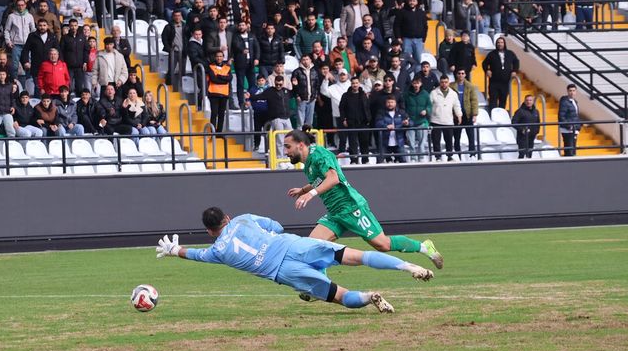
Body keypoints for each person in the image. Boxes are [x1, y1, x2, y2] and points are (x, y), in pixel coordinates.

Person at [155, 208, 436, 312]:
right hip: (292, 245)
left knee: (339, 296)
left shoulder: (217, 251)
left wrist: (173, 250)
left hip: (284, 271)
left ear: (208, 231)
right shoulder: (243, 219)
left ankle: (369, 296)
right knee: (356, 256)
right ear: (227, 218)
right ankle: (409, 265)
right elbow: (275, 225)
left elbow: (195, 255)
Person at [284, 128, 443, 268]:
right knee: (314, 245)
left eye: (287, 147)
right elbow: (320, 180)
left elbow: (333, 179)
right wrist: (303, 189)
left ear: (301, 145)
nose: (285, 152)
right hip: (335, 212)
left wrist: (310, 194)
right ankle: (319, 283)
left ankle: (424, 247)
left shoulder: (319, 154)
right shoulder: (309, 162)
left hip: (351, 207)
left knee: (383, 244)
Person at [21, 19, 59, 96]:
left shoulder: (52, 36)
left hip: (50, 67)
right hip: (36, 66)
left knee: (49, 87)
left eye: (44, 25)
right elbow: (25, 50)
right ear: (37, 26)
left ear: (47, 26)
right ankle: (37, 106)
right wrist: (26, 61)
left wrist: (60, 63)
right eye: (40, 25)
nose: (42, 27)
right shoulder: (32, 36)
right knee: (38, 88)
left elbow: (58, 51)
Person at [338, 76, 372, 164]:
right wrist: (343, 119)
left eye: (356, 83)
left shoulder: (363, 94)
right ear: (351, 84)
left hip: (363, 122)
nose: (355, 85)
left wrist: (368, 118)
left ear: (359, 84)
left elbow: (367, 107)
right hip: (351, 122)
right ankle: (353, 160)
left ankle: (365, 160)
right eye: (353, 83)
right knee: (352, 143)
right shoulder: (345, 95)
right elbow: (341, 108)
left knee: (364, 142)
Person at [481, 37, 519, 112]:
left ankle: (501, 116)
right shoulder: (492, 54)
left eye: (501, 42)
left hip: (505, 82)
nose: (500, 44)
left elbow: (516, 62)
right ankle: (492, 115)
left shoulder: (510, 53)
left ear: (504, 44)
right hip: (494, 82)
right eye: (498, 42)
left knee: (503, 99)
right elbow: (484, 63)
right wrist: (487, 70)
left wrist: (514, 71)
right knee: (493, 100)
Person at [429, 75, 462, 162]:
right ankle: (438, 157)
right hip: (435, 120)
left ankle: (450, 156)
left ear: (448, 83)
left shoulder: (453, 93)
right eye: (442, 82)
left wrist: (459, 115)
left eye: (446, 82)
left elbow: (457, 105)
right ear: (440, 82)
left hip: (448, 120)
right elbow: (429, 105)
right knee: (436, 141)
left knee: (449, 141)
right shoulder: (433, 93)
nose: (444, 84)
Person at [319, 68, 352, 152]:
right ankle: (342, 151)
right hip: (338, 114)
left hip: (352, 114)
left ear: (347, 75)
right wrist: (326, 79)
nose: (342, 76)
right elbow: (323, 91)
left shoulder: (352, 85)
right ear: (338, 76)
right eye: (341, 75)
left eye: (344, 74)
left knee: (352, 135)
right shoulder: (333, 87)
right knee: (342, 135)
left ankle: (352, 151)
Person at [392, 0, 427, 72]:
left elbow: (425, 26)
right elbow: (396, 25)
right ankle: (406, 77)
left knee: (418, 60)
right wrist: (398, 37)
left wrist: (423, 39)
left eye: (414, 1)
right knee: (405, 61)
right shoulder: (402, 12)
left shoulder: (421, 13)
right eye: (410, 1)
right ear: (408, 1)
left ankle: (417, 78)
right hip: (406, 39)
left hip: (418, 40)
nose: (412, 2)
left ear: (417, 2)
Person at [451, 68, 479, 160]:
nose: (461, 75)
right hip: (456, 116)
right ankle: (457, 154)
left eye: (463, 73)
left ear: (465, 75)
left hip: (467, 115)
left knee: (471, 136)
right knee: (456, 137)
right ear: (456, 75)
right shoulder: (451, 86)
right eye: (459, 73)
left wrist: (474, 114)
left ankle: (472, 154)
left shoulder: (470, 86)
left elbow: (474, 100)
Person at [231, 21, 259, 110]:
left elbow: (257, 48)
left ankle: (252, 101)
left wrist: (256, 58)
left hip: (250, 64)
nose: (241, 27)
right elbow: (235, 45)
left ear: (246, 26)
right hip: (240, 64)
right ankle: (241, 103)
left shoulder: (252, 36)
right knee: (240, 84)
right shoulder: (236, 36)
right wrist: (242, 50)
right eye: (239, 25)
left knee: (252, 84)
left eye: (243, 25)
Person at [402, 76, 431, 163]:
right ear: (412, 84)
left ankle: (421, 157)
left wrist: (426, 111)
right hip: (410, 122)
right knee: (411, 142)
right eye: (414, 83)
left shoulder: (425, 94)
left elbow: (429, 105)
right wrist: (406, 117)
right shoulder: (406, 94)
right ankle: (413, 158)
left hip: (422, 121)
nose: (416, 85)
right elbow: (403, 107)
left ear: (421, 84)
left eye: (418, 83)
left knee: (422, 142)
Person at [206, 50, 231, 131]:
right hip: (213, 93)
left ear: (223, 57)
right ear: (215, 57)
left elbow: (229, 79)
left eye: (220, 56)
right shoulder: (210, 67)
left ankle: (219, 132)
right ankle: (213, 131)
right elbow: (213, 79)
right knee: (214, 113)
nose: (219, 58)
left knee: (221, 114)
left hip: (224, 94)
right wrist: (224, 79)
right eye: (217, 56)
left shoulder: (227, 68)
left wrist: (219, 76)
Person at [291, 53, 318, 127]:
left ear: (310, 60)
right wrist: (297, 96)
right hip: (301, 98)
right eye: (303, 60)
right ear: (301, 61)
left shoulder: (314, 71)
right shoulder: (296, 72)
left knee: (310, 121)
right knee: (300, 121)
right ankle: (300, 137)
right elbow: (294, 85)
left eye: (307, 59)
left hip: (312, 98)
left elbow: (316, 85)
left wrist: (315, 96)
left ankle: (308, 137)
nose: (305, 61)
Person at [512, 94, 540, 159]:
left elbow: (538, 122)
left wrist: (536, 131)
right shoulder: (520, 111)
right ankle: (519, 167)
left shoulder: (536, 111)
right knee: (522, 154)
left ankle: (529, 168)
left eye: (530, 100)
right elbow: (514, 122)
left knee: (530, 153)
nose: (529, 102)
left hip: (532, 136)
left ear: (533, 101)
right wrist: (522, 130)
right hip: (522, 137)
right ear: (524, 101)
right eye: (527, 100)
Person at [558, 83, 580, 156]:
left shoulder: (574, 101)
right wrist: (568, 126)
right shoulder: (564, 102)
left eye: (573, 90)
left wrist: (579, 126)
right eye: (570, 91)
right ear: (567, 91)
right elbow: (561, 116)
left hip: (574, 128)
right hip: (567, 130)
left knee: (573, 149)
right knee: (569, 150)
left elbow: (575, 115)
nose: (572, 92)